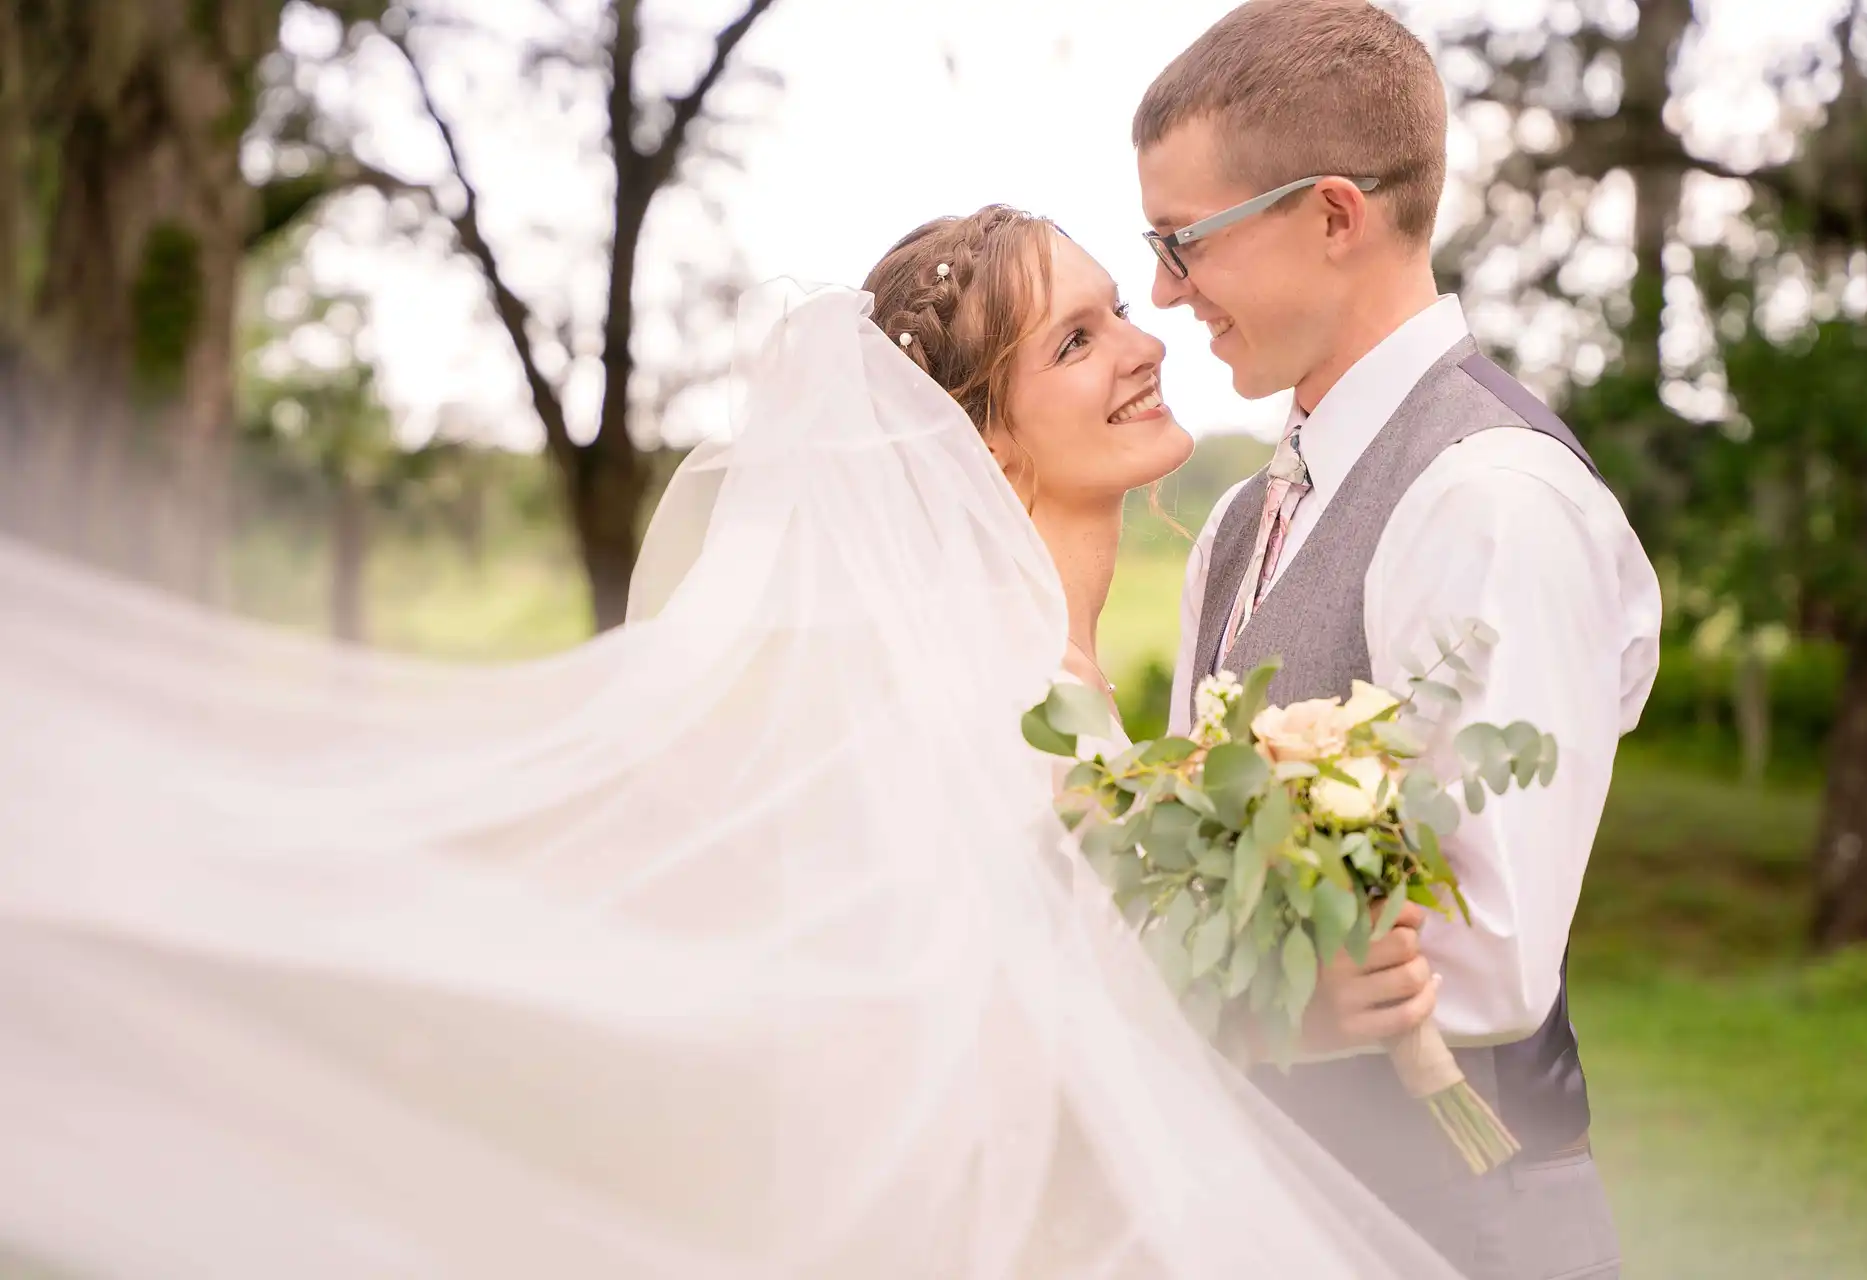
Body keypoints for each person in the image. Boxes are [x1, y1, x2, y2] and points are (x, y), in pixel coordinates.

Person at [0, 206, 1462, 1277]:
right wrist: (1277, 1017)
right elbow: (986, 1063)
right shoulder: (983, 695)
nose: (1143, 347)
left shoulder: (1057, 683)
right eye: (1077, 340)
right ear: (986, 440)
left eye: (1118, 311)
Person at [1137, 3, 1662, 1277]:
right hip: (1281, 1212)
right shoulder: (1240, 520)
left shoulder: (1490, 497)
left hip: (1459, 1226)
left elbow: (1485, 950)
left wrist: (1214, 1001)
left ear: (1332, 214)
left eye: (1182, 240)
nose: (1163, 290)